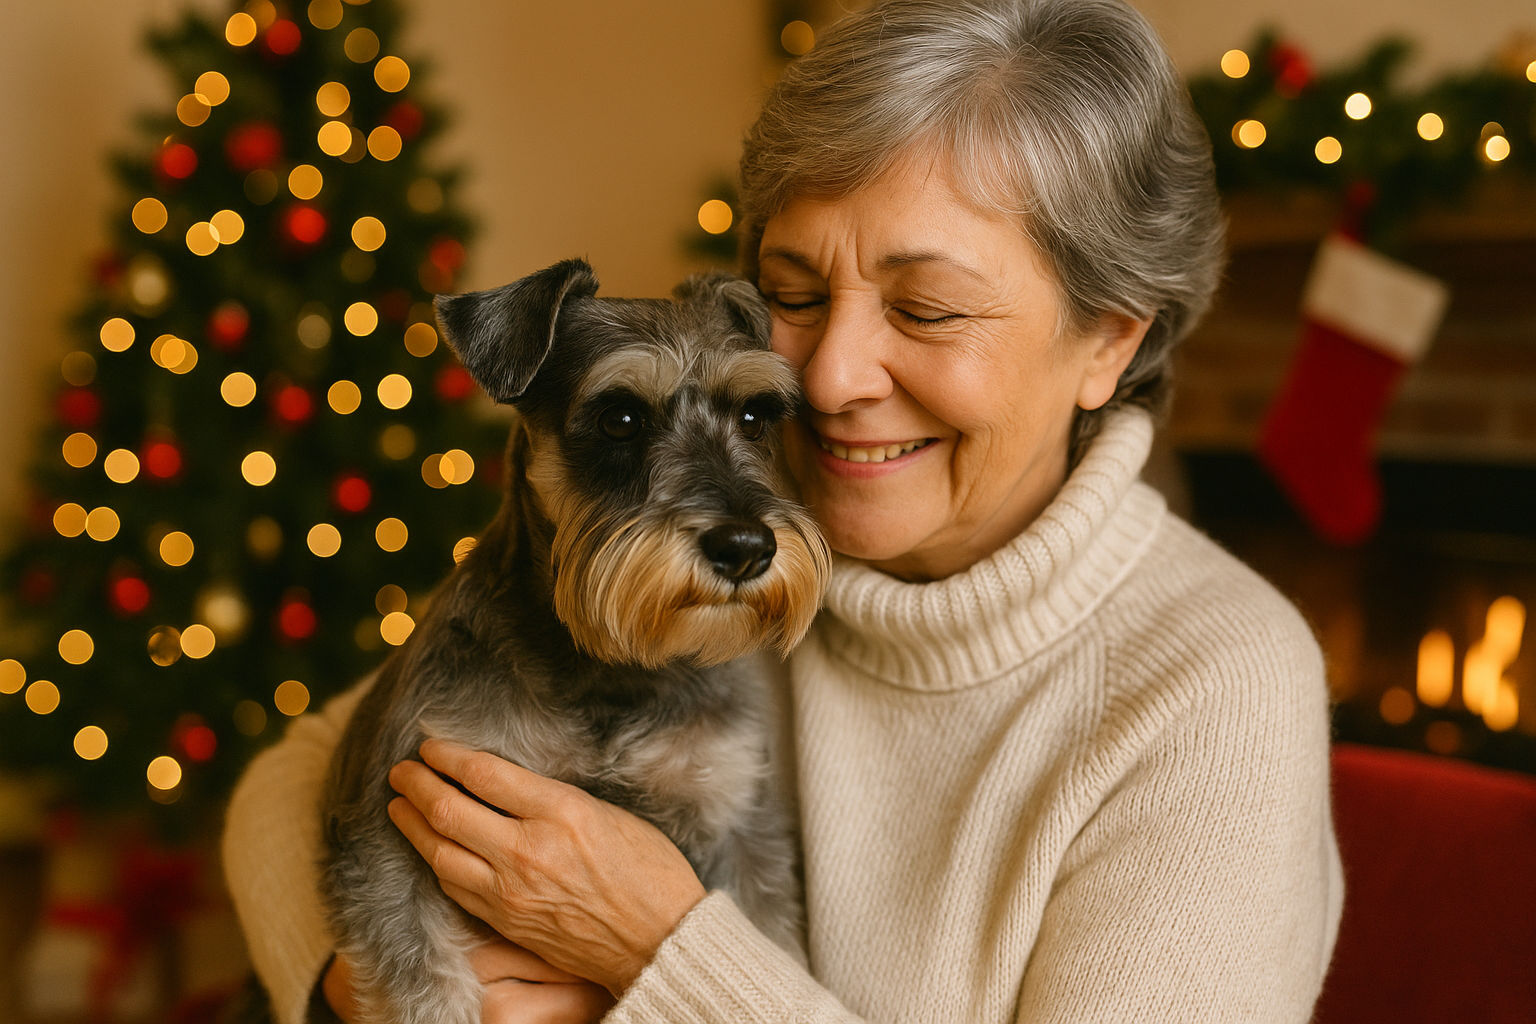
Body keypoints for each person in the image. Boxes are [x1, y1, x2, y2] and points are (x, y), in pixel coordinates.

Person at [223, 0, 1344, 1021]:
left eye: (928, 306)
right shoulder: (726, 541)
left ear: (1113, 339)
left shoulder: (1215, 686)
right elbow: (297, 775)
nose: (834, 373)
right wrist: (357, 990)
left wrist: (659, 951)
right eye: (796, 296)